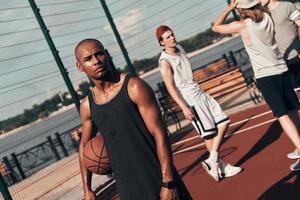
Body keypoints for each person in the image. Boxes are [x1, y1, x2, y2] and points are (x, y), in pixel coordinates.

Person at [75, 38, 192, 200]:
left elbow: (160, 134)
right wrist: (87, 189)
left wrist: (168, 182)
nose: (96, 61)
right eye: (88, 59)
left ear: (107, 55)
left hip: (157, 177)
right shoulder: (88, 106)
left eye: (99, 54)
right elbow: (83, 147)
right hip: (127, 187)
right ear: (80, 67)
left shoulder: (133, 87)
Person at [212, 0, 300, 171]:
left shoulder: (243, 26)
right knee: (294, 110)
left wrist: (230, 8)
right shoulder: (267, 17)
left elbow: (216, 27)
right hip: (282, 69)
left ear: (241, 8)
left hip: (266, 75)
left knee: (283, 116)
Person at [156, 25, 242, 182]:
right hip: (191, 100)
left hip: (200, 92)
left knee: (224, 122)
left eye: (172, 34)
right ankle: (220, 166)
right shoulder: (165, 62)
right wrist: (184, 107)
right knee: (209, 135)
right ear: (161, 42)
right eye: (167, 37)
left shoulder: (180, 48)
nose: (172, 38)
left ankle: (213, 160)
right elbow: (170, 88)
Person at [258, 0, 300, 160]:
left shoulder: (286, 6)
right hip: (279, 66)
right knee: (293, 109)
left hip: (295, 58)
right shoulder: (260, 14)